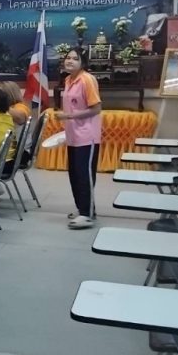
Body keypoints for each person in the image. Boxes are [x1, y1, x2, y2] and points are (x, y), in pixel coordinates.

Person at [56, 47, 102, 230]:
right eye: (68, 57)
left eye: (75, 58)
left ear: (83, 62)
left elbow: (96, 108)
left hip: (87, 135)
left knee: (84, 175)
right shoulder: (68, 79)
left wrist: (69, 116)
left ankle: (87, 214)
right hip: (73, 135)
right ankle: (82, 208)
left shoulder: (87, 80)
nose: (70, 61)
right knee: (74, 174)